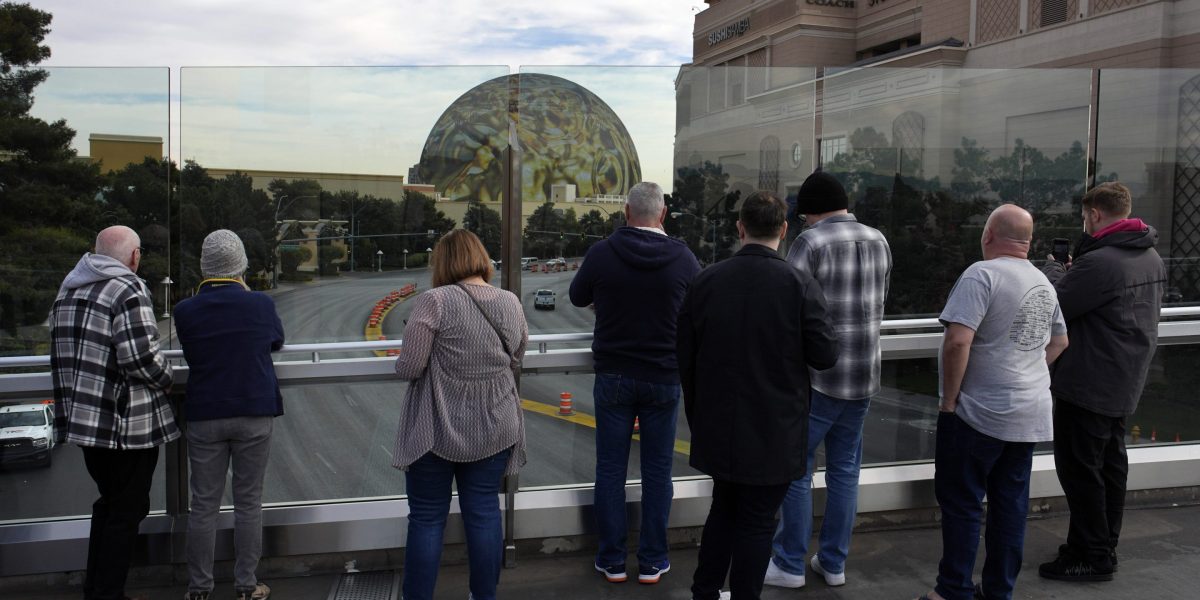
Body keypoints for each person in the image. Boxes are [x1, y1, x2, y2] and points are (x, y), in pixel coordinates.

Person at [678, 191, 839, 600]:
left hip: (719, 426)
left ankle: (705, 590)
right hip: (774, 431)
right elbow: (825, 355)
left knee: (723, 509)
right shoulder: (799, 284)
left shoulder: (706, 280)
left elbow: (685, 355)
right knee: (756, 522)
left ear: (740, 227)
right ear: (784, 230)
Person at [917, 204, 1069, 600]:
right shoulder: (1042, 281)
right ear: (1029, 242)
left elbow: (958, 340)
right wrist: (1025, 370)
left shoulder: (980, 274)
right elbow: (1059, 341)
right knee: (1009, 507)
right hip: (1029, 414)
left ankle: (953, 590)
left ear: (988, 236)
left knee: (963, 503)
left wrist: (949, 401)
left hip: (978, 413)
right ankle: (998, 591)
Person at [568, 181, 701, 585]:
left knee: (609, 470)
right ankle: (652, 561)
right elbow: (698, 307)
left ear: (626, 213)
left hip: (614, 376)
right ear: (662, 215)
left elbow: (576, 296)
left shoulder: (602, 253)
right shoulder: (683, 258)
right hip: (663, 377)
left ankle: (611, 560)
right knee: (658, 473)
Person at [768, 171, 892, 589]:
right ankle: (834, 563)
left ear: (812, 212)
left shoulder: (811, 242)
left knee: (797, 471)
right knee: (844, 472)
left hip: (817, 379)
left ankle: (788, 564)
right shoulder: (879, 239)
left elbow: (787, 304)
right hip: (864, 376)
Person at [1037, 182, 1166, 582]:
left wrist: (1055, 270)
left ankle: (1090, 555)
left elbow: (1054, 306)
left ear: (1094, 214)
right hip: (1123, 379)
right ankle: (1101, 544)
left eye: (1084, 217)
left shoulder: (1102, 262)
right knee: (1110, 468)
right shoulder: (1150, 257)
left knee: (1080, 471)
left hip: (1087, 381)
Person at [392, 229, 528, 600]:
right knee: (484, 514)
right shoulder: (510, 303)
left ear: (443, 262)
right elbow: (517, 357)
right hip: (494, 426)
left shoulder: (434, 302)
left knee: (426, 518)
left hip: (436, 427)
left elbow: (409, 367)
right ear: (480, 258)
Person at [50, 225, 178, 600]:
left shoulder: (69, 289)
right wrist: (168, 378)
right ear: (134, 256)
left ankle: (96, 588)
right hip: (125, 427)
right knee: (128, 509)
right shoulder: (128, 288)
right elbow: (139, 358)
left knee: (109, 504)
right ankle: (108, 592)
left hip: (86, 423)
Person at [174, 230, 284, 600]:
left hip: (205, 414)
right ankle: (247, 585)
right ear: (241, 267)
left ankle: (199, 588)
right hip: (253, 411)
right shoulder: (260, 304)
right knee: (248, 502)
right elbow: (275, 341)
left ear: (205, 267)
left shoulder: (184, 311)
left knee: (203, 505)